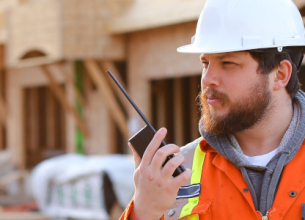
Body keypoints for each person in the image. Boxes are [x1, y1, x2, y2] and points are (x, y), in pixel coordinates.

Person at [120, 0, 305, 219]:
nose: (207, 80)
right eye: (205, 63)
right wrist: (144, 212)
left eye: (227, 63)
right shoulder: (175, 175)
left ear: (280, 74)